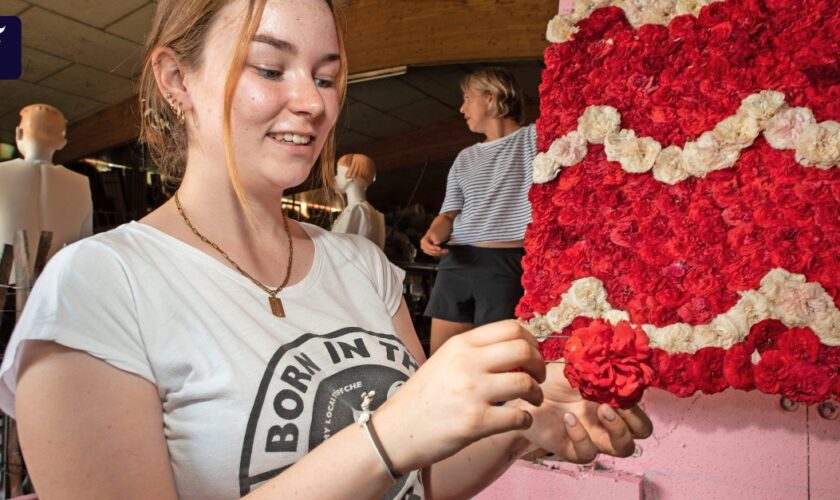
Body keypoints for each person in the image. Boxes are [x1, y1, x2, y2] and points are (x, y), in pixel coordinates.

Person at [0, 1, 651, 499]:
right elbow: (396, 445)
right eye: (269, 67)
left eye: (329, 76)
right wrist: (386, 435)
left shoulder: (362, 266)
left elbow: (416, 481)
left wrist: (519, 423)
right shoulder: (102, 286)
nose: (313, 102)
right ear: (175, 79)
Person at [421, 67, 535, 355]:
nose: (461, 108)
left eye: (467, 98)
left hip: (505, 265)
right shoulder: (464, 157)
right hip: (456, 262)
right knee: (442, 361)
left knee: (493, 366)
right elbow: (448, 215)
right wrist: (433, 235)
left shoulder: (533, 139)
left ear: (492, 96)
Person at [0, 104, 93, 273]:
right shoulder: (81, 183)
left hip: (7, 283)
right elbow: (85, 239)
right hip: (58, 279)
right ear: (62, 143)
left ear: (18, 134)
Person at [332, 153, 386, 249]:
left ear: (349, 176)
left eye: (338, 172)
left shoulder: (356, 209)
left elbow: (337, 248)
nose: (335, 177)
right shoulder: (374, 213)